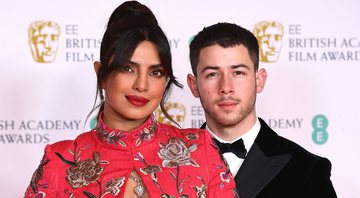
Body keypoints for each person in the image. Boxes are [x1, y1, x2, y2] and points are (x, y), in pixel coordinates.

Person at [24, 2, 237, 197]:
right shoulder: (59, 163)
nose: (142, 85)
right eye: (127, 68)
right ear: (102, 75)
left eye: (156, 72)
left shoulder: (200, 150)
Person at [187, 22, 337, 198]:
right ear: (194, 85)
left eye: (238, 73)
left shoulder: (307, 169)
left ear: (259, 80)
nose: (226, 87)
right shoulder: (167, 163)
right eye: (212, 74)